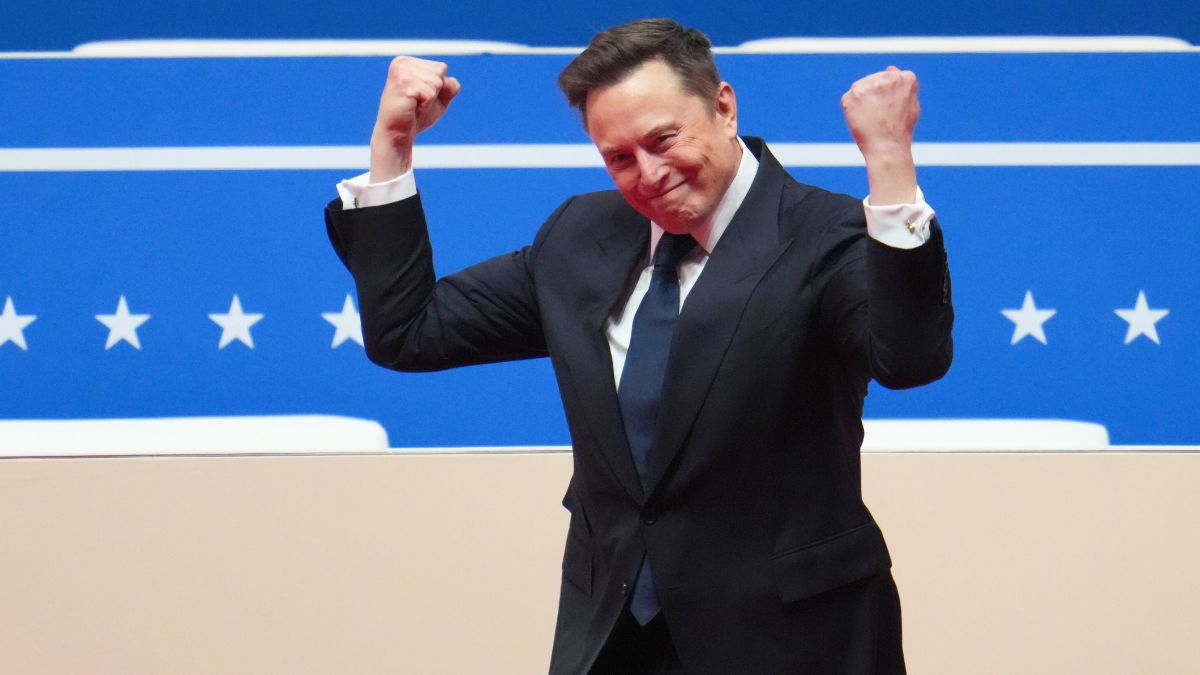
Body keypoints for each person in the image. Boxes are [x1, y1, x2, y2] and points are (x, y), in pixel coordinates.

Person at [325, 18, 952, 675]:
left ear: (723, 106)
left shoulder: (824, 235)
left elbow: (909, 358)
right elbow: (409, 330)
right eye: (618, 157)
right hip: (613, 637)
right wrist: (392, 145)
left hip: (796, 639)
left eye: (662, 140)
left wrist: (889, 163)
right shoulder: (579, 235)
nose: (647, 176)